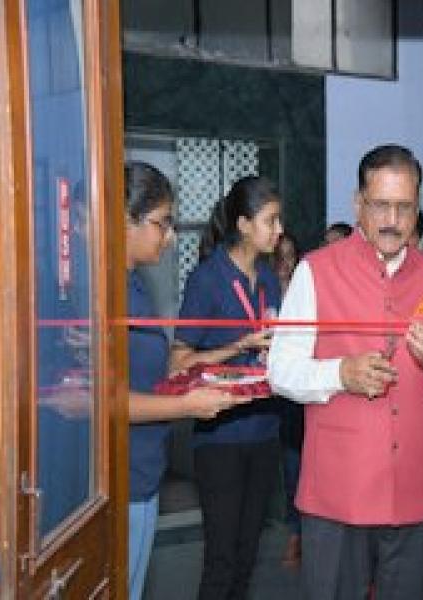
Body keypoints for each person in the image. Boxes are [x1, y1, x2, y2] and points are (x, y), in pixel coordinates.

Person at [268, 144, 423, 599]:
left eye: (404, 207)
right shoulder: (315, 271)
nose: (392, 220)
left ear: (417, 209)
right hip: (337, 493)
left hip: (415, 494)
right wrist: (340, 374)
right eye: (380, 205)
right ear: (358, 204)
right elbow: (280, 369)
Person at [124, 162, 247, 600]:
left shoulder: (134, 285)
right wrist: (187, 406)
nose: (171, 236)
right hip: (119, 478)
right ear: (125, 219)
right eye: (162, 223)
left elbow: (156, 374)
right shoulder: (104, 293)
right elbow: (98, 399)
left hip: (143, 472)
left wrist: (221, 361)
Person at [171, 175, 284, 599]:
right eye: (270, 221)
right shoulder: (207, 279)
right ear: (243, 224)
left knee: (247, 555)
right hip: (220, 437)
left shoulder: (269, 278)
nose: (279, 230)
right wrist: (238, 346)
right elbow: (178, 362)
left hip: (265, 430)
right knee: (221, 560)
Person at [273, 231, 304, 567]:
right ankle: (295, 533)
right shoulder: (262, 292)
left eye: (290, 256)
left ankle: (299, 535)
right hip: (269, 402)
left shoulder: (304, 294)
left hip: (298, 403)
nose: (284, 264)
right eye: (278, 257)